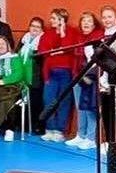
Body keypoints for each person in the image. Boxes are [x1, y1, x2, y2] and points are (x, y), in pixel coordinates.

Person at [38, 8, 79, 142]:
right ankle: (50, 128)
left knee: (64, 101)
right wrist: (56, 51)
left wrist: (62, 33)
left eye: (54, 18)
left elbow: (69, 48)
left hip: (66, 72)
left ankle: (59, 130)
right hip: (50, 72)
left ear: (62, 19)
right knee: (48, 100)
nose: (51, 21)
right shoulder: (47, 34)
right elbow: (43, 51)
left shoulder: (72, 32)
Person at [65, 10, 104, 149]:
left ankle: (90, 137)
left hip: (92, 75)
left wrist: (91, 75)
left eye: (89, 21)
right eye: (83, 20)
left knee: (90, 107)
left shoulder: (98, 37)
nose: (85, 23)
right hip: (77, 74)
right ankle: (80, 135)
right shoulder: (78, 37)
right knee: (80, 107)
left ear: (94, 24)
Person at [0, 34, 28, 141]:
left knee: (9, 101)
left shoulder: (15, 58)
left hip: (11, 86)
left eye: (3, 44)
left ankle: (10, 129)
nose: (1, 46)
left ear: (7, 45)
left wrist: (3, 81)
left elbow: (18, 74)